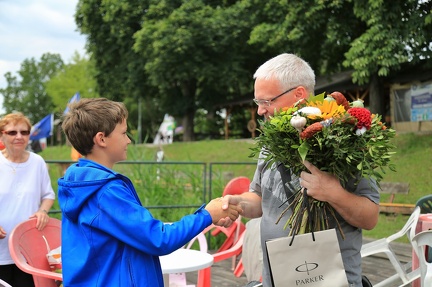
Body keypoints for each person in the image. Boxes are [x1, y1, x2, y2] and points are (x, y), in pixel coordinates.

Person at [220, 53, 380, 287]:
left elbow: (370, 217)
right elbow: (260, 199)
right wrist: (239, 203)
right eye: (258, 103)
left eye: (267, 102)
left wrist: (331, 192)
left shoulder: (346, 140)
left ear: (299, 95)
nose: (260, 111)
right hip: (278, 277)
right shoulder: (270, 143)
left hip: (330, 280)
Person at [58, 98, 242, 287]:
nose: (129, 140)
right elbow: (158, 239)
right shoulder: (106, 192)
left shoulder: (78, 183)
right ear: (101, 139)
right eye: (123, 133)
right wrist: (207, 215)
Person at [0, 112, 55, 287]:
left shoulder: (37, 162)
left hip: (29, 248)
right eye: (12, 132)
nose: (19, 137)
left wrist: (42, 211)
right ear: (2, 134)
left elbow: (48, 195)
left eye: (24, 132)